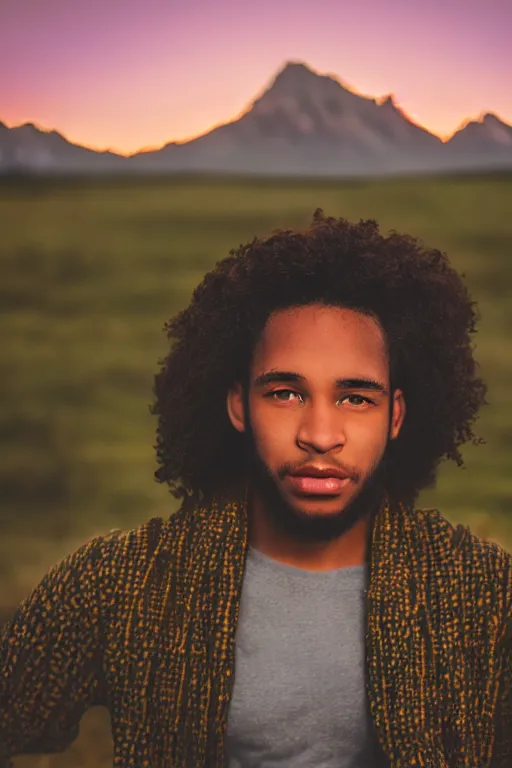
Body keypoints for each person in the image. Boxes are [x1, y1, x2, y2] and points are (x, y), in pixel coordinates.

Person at [1, 211, 511, 768]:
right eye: (286, 393)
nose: (319, 436)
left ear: (396, 415)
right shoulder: (125, 581)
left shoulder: (484, 595)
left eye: (355, 398)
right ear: (239, 404)